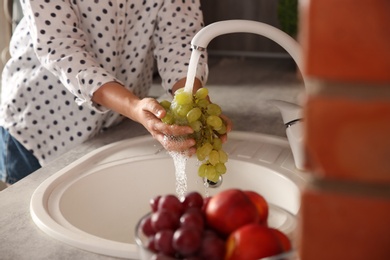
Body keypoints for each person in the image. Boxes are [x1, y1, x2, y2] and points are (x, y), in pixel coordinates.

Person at [0, 0, 231, 185]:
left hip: (117, 121)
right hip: (40, 127)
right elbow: (61, 48)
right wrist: (133, 106)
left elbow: (179, 38)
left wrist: (191, 100)